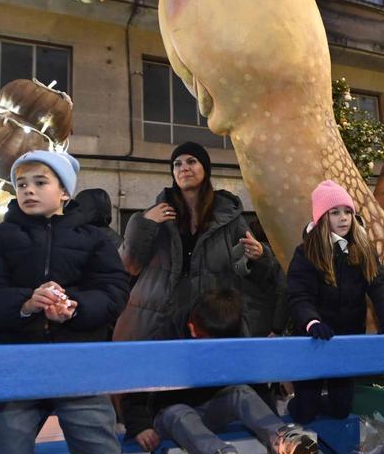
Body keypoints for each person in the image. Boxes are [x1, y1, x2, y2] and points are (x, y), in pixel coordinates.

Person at [0, 150, 131, 454]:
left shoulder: (95, 239)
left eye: (40, 182)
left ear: (65, 191)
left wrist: (75, 308)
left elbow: (114, 291)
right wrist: (25, 303)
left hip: (78, 364)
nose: (28, 190)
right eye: (21, 184)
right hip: (17, 365)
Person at [126, 288, 319, 454]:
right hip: (170, 414)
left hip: (211, 406)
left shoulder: (234, 337)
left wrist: (267, 422)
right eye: (201, 336)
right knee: (178, 413)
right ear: (192, 326)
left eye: (208, 339)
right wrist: (139, 424)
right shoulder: (165, 337)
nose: (198, 337)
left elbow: (253, 378)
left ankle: (284, 440)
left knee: (240, 391)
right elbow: (136, 377)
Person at [114, 141, 278, 341]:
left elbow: (258, 275)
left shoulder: (229, 218)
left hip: (210, 320)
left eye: (191, 161)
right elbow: (128, 265)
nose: (183, 168)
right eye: (177, 164)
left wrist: (259, 255)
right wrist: (144, 224)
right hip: (156, 320)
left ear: (205, 169)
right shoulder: (153, 215)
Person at [285, 180, 384, 423]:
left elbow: (379, 285)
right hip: (314, 339)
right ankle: (295, 408)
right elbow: (299, 295)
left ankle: (326, 425)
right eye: (335, 212)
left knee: (341, 409)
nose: (343, 218)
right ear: (322, 217)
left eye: (348, 212)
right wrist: (312, 322)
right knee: (306, 410)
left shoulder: (362, 249)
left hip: (347, 338)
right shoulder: (306, 252)